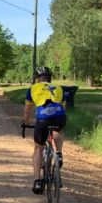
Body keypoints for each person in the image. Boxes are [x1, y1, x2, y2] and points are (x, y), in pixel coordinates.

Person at [23, 66, 66, 194]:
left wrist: (26, 123)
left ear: (38, 78)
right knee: (58, 130)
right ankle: (58, 153)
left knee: (38, 148)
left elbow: (27, 110)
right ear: (50, 77)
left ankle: (37, 181)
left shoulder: (33, 88)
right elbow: (64, 108)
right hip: (59, 117)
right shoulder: (59, 88)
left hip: (42, 119)